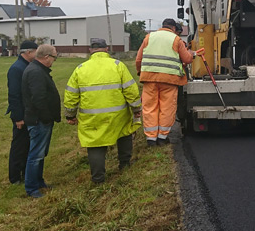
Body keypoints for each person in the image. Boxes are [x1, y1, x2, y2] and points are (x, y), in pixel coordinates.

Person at [63, 39, 142, 185]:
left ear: (90, 50)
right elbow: (131, 90)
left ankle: (98, 179)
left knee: (95, 145)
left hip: (91, 117)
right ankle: (124, 166)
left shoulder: (80, 68)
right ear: (106, 49)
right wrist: (136, 109)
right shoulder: (118, 66)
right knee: (124, 135)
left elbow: (71, 95)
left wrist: (70, 115)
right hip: (118, 114)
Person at [135, 18, 195, 146]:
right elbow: (186, 59)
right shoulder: (176, 39)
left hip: (149, 79)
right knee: (166, 108)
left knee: (150, 107)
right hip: (169, 80)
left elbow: (138, 59)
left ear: (162, 26)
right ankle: (162, 137)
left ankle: (151, 138)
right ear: (173, 28)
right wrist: (192, 54)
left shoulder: (148, 37)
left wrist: (141, 73)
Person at [22, 44, 61, 198]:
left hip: (41, 120)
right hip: (39, 121)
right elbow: (38, 98)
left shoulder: (37, 70)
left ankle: (39, 181)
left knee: (40, 153)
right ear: (46, 57)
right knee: (35, 155)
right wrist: (46, 117)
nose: (54, 61)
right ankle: (31, 188)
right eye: (54, 58)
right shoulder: (36, 72)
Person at [6, 40, 37, 183]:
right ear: (29, 52)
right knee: (19, 146)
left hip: (28, 113)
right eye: (36, 52)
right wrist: (18, 117)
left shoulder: (27, 66)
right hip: (21, 115)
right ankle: (14, 177)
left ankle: (25, 173)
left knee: (27, 145)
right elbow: (14, 95)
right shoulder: (16, 69)